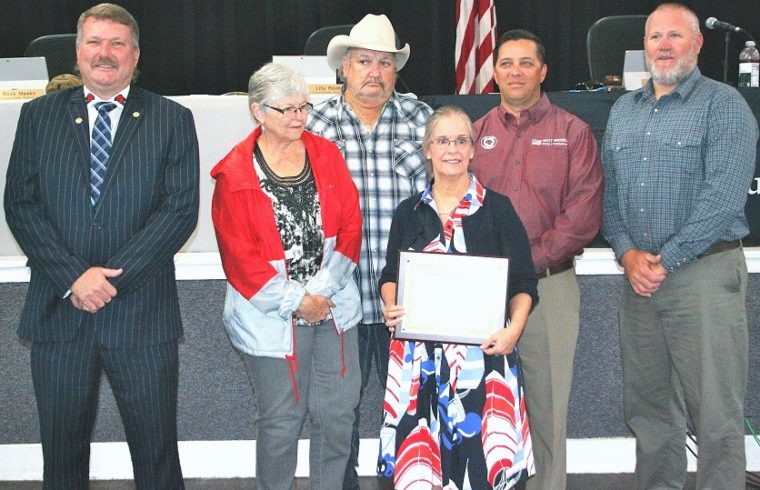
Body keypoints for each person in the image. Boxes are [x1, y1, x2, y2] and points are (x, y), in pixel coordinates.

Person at [4, 3, 199, 489]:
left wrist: (109, 280)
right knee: (62, 458)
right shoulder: (37, 116)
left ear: (135, 55)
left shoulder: (171, 118)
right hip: (60, 313)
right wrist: (74, 276)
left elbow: (179, 211)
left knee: (156, 454)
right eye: (94, 42)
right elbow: (21, 205)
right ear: (77, 52)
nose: (104, 53)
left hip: (141, 315)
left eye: (117, 44)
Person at [602, 4, 757, 489]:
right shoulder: (623, 110)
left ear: (697, 44)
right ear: (643, 46)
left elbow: (725, 196)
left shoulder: (723, 104)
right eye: (654, 37)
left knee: (715, 413)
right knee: (648, 411)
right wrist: (628, 253)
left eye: (675, 36)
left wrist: (663, 260)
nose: (663, 46)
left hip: (702, 275)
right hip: (639, 279)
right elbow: (610, 196)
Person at [210, 62, 362, 490]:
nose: (299, 117)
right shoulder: (235, 174)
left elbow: (351, 226)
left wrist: (321, 291)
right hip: (270, 317)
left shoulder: (326, 155)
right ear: (258, 112)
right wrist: (297, 300)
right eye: (287, 109)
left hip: (331, 307)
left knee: (336, 416)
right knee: (281, 421)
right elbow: (240, 259)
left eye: (304, 107)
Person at [377, 106, 537, 490]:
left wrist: (513, 331)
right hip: (419, 361)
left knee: (480, 468)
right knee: (422, 467)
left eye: (461, 140)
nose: (452, 149)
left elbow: (524, 283)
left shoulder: (497, 210)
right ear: (427, 149)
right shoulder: (408, 212)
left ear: (472, 150)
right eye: (442, 141)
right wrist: (391, 303)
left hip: (482, 358)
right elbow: (390, 276)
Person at [470, 29, 603, 490]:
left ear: (543, 71)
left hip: (549, 287)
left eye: (526, 63)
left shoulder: (573, 132)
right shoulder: (475, 135)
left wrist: (526, 266)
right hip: (483, 291)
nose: (515, 71)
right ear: (494, 72)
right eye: (506, 63)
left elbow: (582, 215)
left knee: (547, 409)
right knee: (482, 405)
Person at [305, 13, 433, 489]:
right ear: (345, 67)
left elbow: (444, 203)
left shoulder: (422, 120)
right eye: (364, 62)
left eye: (385, 63)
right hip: (339, 299)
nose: (374, 72)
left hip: (408, 299)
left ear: (396, 71)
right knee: (339, 413)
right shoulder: (313, 123)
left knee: (411, 408)